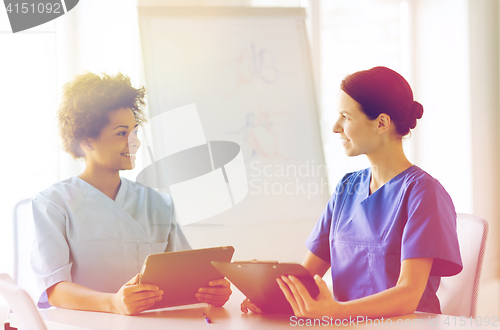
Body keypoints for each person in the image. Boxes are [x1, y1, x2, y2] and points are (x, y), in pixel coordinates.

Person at [241, 66, 462, 318]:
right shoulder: (347, 188)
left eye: (345, 117)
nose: (336, 127)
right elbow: (307, 277)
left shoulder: (423, 193)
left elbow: (408, 295)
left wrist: (337, 311)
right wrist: (272, 296)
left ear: (381, 123)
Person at [31, 72, 231, 315]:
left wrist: (211, 290)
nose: (134, 142)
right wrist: (113, 303)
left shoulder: (158, 203)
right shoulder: (53, 204)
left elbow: (185, 275)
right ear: (87, 140)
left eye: (134, 132)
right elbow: (54, 289)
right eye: (121, 133)